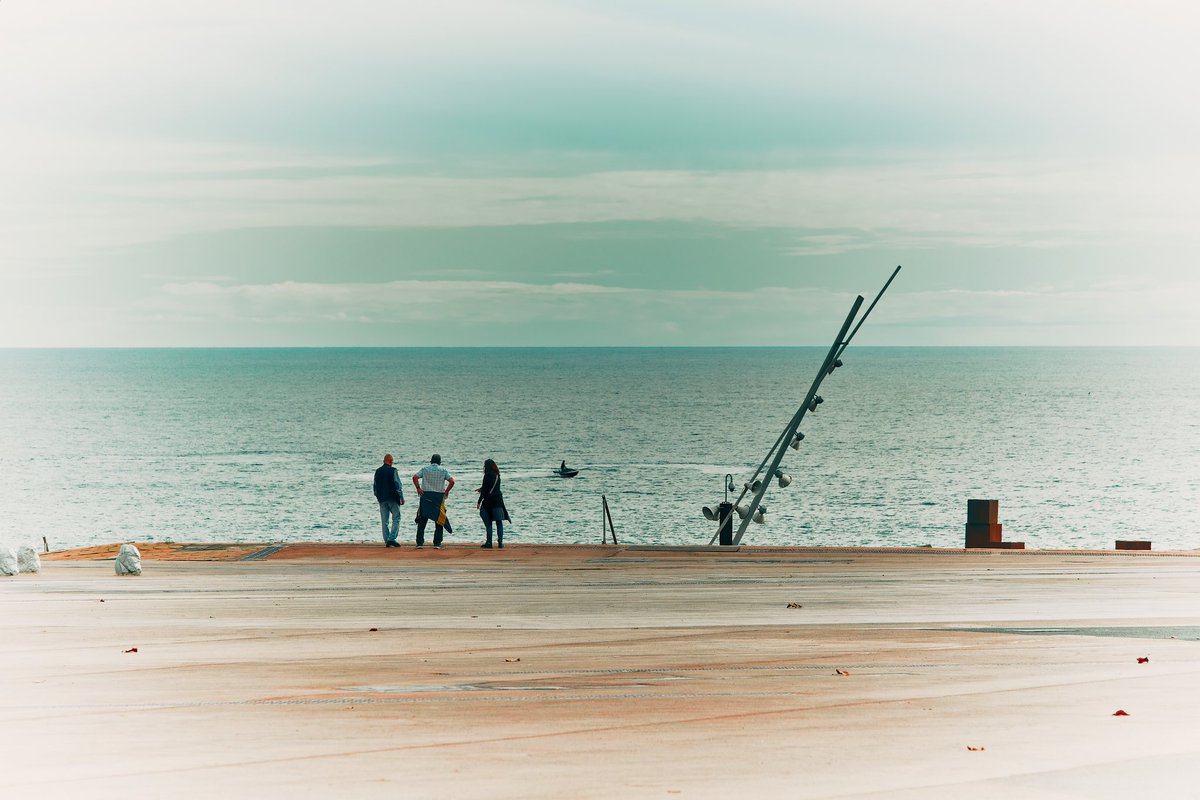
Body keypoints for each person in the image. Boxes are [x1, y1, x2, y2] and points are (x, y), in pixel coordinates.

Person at [412, 454, 454, 549]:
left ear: (430, 461)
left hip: (425, 495)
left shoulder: (425, 469)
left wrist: (418, 488)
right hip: (438, 497)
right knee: (439, 519)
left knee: (422, 520)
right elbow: (452, 481)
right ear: (440, 462)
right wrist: (446, 491)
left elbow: (415, 477)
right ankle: (437, 543)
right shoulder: (443, 470)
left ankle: (419, 543)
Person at [372, 454, 406, 547]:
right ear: (390, 461)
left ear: (384, 461)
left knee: (384, 520)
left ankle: (387, 540)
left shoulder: (378, 471)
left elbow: (375, 486)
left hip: (382, 499)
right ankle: (392, 539)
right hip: (392, 498)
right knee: (396, 518)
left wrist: (377, 496)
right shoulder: (393, 470)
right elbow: (398, 485)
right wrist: (401, 497)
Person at [477, 458, 510, 549]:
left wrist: (479, 501)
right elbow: (494, 487)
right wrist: (482, 488)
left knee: (488, 523)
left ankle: (489, 543)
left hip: (488, 502)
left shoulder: (487, 476)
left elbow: (485, 491)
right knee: (499, 522)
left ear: (486, 467)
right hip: (498, 501)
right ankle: (500, 543)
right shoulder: (497, 476)